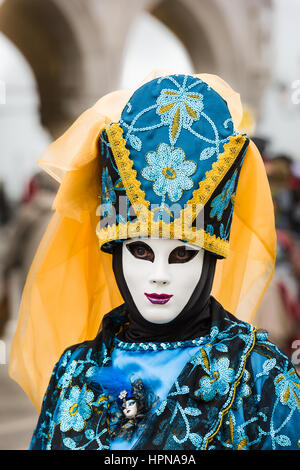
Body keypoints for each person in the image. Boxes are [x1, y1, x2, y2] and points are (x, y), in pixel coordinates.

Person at [9, 72, 300, 450]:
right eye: (141, 252)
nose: (158, 276)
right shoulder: (74, 371)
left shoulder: (262, 378)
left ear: (209, 260)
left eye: (182, 254)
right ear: (116, 254)